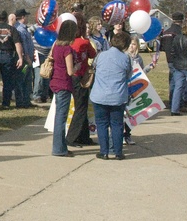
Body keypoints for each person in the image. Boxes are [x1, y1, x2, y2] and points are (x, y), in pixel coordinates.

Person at [90, 30, 132, 160]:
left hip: (99, 95)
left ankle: (104, 151)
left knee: (102, 124)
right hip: (117, 96)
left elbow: (94, 68)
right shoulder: (125, 58)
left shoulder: (101, 55)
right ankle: (118, 152)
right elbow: (128, 75)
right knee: (117, 124)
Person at [49, 19, 79, 157]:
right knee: (61, 118)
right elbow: (70, 71)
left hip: (55, 82)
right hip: (64, 84)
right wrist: (78, 66)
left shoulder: (56, 46)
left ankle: (61, 146)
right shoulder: (67, 49)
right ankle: (59, 149)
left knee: (59, 116)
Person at [66, 16, 97, 147]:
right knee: (81, 107)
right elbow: (93, 54)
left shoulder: (69, 42)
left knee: (82, 106)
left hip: (72, 76)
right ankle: (71, 137)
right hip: (80, 76)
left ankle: (83, 136)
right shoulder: (83, 42)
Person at [13, 9, 36, 108]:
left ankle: (26, 100)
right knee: (21, 80)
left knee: (27, 80)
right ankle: (20, 101)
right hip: (25, 60)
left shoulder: (25, 28)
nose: (27, 18)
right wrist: (27, 57)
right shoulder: (20, 29)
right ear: (22, 17)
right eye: (26, 16)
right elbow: (23, 45)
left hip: (29, 59)